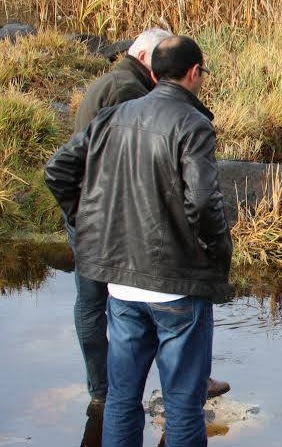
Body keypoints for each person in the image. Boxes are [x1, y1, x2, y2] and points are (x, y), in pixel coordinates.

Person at [45, 35, 232, 447]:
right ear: (194, 73)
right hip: (177, 285)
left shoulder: (114, 116)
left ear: (153, 71)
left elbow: (57, 170)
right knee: (183, 405)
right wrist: (218, 255)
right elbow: (203, 201)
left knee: (121, 400)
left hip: (121, 286)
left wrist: (90, 224)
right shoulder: (193, 124)